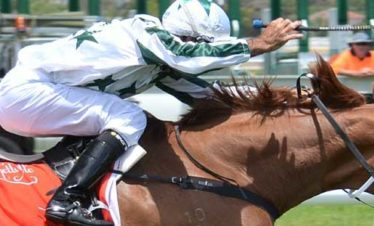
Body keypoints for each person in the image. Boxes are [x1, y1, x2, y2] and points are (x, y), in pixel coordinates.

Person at [0, 0, 303, 225]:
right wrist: (260, 44)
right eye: (199, 43)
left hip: (35, 100)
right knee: (128, 116)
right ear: (181, 34)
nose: (203, 51)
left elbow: (208, 96)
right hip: (26, 92)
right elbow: (186, 56)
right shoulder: (145, 32)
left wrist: (286, 102)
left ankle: (86, 193)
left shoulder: (159, 61)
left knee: (123, 119)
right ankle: (67, 200)